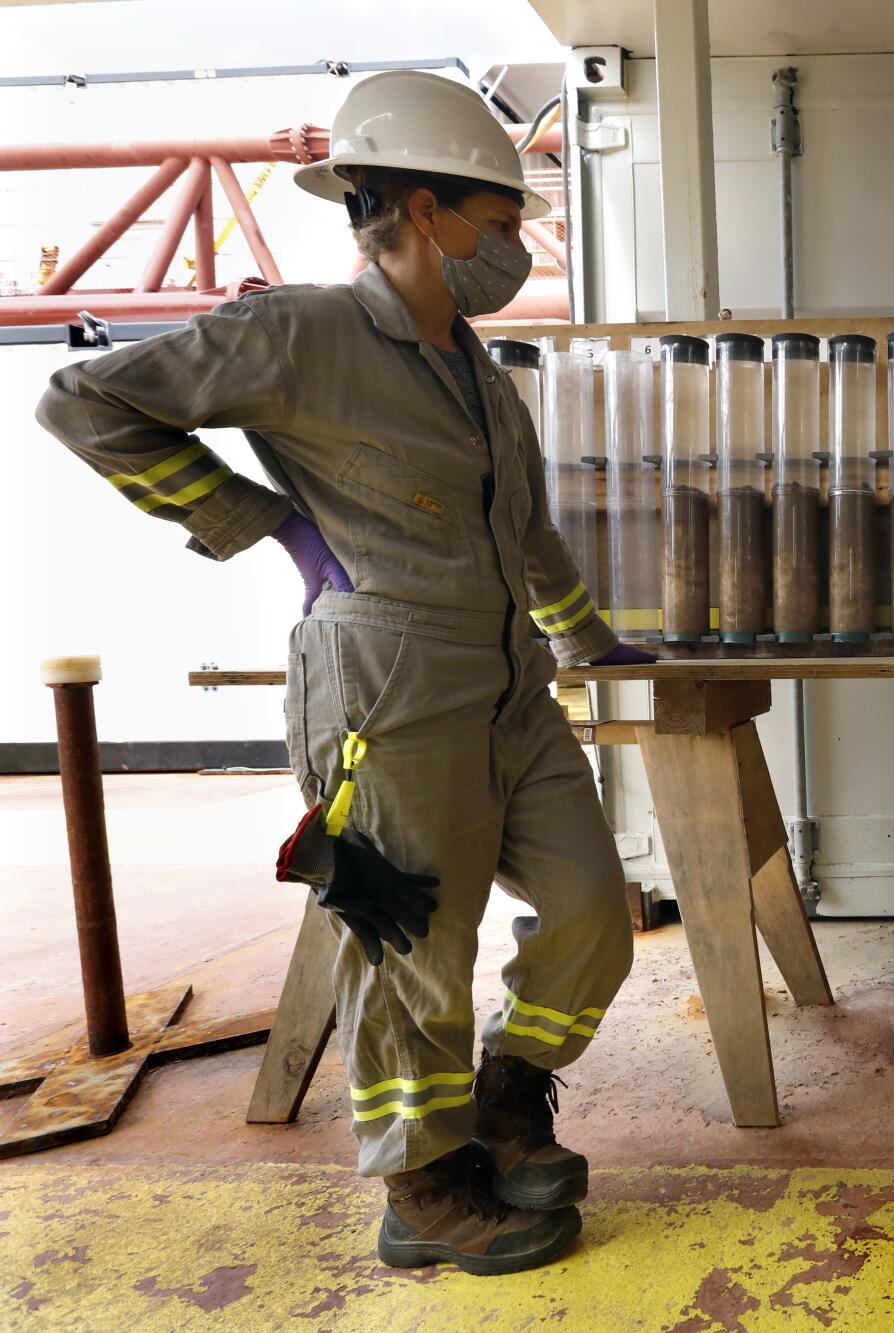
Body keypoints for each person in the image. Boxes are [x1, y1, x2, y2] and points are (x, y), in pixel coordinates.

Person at [37, 70, 653, 1275]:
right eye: (501, 218)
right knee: (418, 948)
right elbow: (83, 403)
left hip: (511, 689)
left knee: (590, 910)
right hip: (386, 689)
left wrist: (588, 638)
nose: (511, 245)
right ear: (426, 211)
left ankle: (508, 1091)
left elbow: (524, 534)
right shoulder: (302, 332)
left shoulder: (476, 366)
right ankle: (420, 1188)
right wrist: (265, 523)